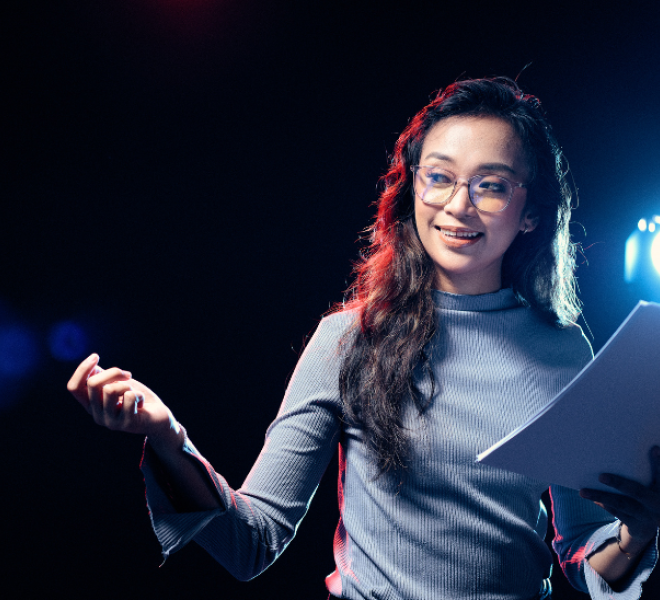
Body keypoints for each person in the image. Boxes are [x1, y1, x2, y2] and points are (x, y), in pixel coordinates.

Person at [68, 77, 660, 600]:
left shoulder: (564, 350)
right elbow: (253, 541)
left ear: (530, 212)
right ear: (413, 191)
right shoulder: (348, 340)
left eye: (492, 185)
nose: (459, 205)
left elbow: (589, 563)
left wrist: (639, 532)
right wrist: (169, 439)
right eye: (440, 178)